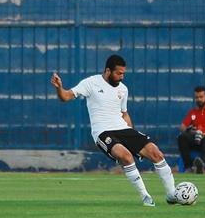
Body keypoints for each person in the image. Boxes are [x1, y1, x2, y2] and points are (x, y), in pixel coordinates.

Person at [51, 54, 176, 207]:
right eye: (119, 73)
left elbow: (124, 113)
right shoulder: (91, 83)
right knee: (126, 156)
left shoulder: (123, 89)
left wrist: (132, 133)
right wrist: (59, 88)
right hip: (103, 133)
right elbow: (65, 96)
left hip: (123, 128)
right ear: (108, 71)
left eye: (123, 73)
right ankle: (145, 197)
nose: (121, 77)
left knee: (156, 153)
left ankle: (172, 195)